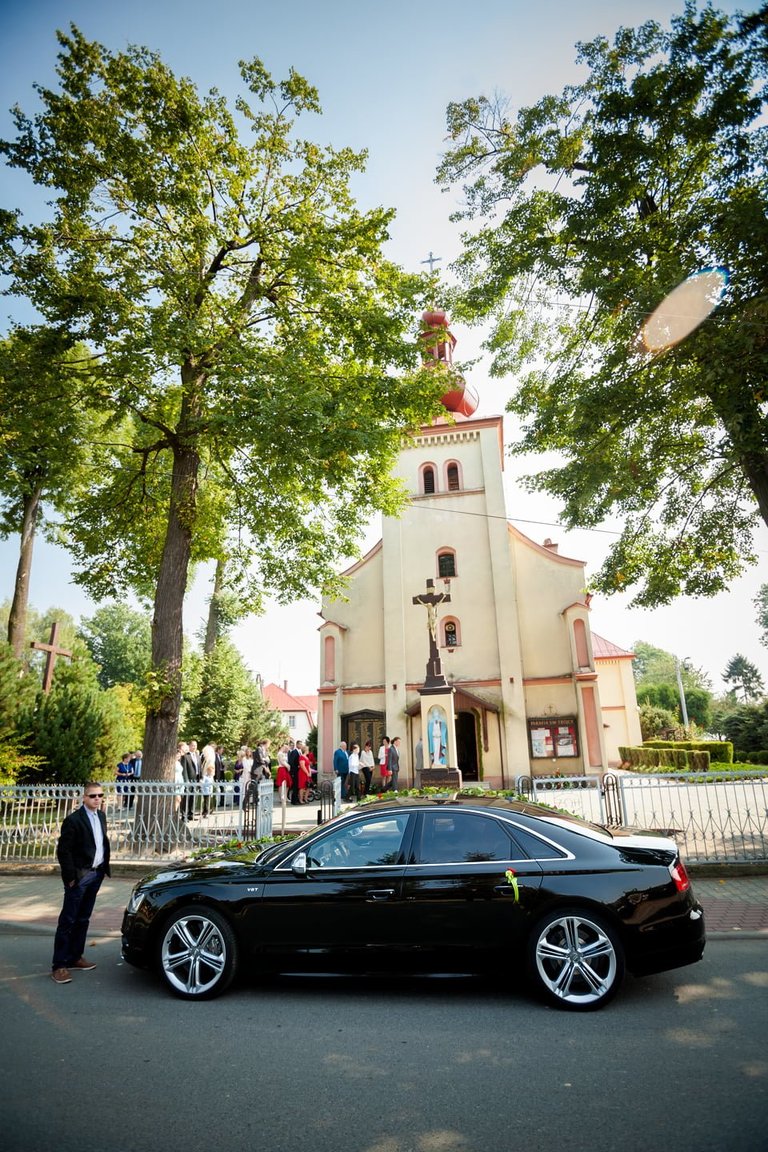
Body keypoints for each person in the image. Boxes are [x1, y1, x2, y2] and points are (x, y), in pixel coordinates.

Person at [51, 781, 111, 984]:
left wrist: (102, 869)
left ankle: (75, 957)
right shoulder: (73, 820)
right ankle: (59, 965)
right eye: (93, 796)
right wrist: (70, 877)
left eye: (100, 795)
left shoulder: (101, 816)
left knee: (83, 919)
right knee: (68, 920)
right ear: (84, 798)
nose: (97, 799)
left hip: (96, 875)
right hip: (79, 878)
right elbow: (64, 851)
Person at [287, 740, 301, 806]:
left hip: (297, 771)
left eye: (301, 744)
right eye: (300, 744)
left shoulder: (299, 752)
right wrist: (294, 770)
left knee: (297, 786)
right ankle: (294, 801)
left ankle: (296, 799)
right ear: (297, 744)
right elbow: (291, 762)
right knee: (295, 786)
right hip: (294, 772)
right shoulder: (294, 752)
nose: (301, 745)